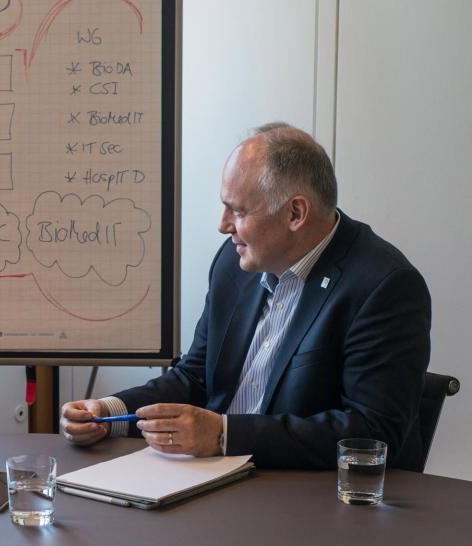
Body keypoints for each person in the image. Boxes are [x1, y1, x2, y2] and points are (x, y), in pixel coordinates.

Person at [60, 123, 432, 469]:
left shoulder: (383, 286)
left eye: (237, 211)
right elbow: (197, 377)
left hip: (308, 500)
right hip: (211, 477)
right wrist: (108, 414)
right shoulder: (233, 262)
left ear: (295, 213)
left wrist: (224, 435)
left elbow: (374, 432)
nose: (223, 226)